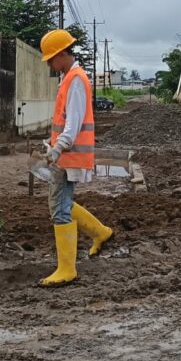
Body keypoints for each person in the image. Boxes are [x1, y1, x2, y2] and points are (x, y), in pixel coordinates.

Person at [37, 28, 113, 286]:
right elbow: (65, 120)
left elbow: (74, 124)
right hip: (65, 155)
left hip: (68, 155)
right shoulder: (69, 78)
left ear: (61, 54)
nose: (49, 64)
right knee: (62, 203)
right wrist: (53, 144)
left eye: (50, 59)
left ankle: (67, 269)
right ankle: (101, 233)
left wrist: (58, 148)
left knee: (59, 208)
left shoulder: (76, 80)